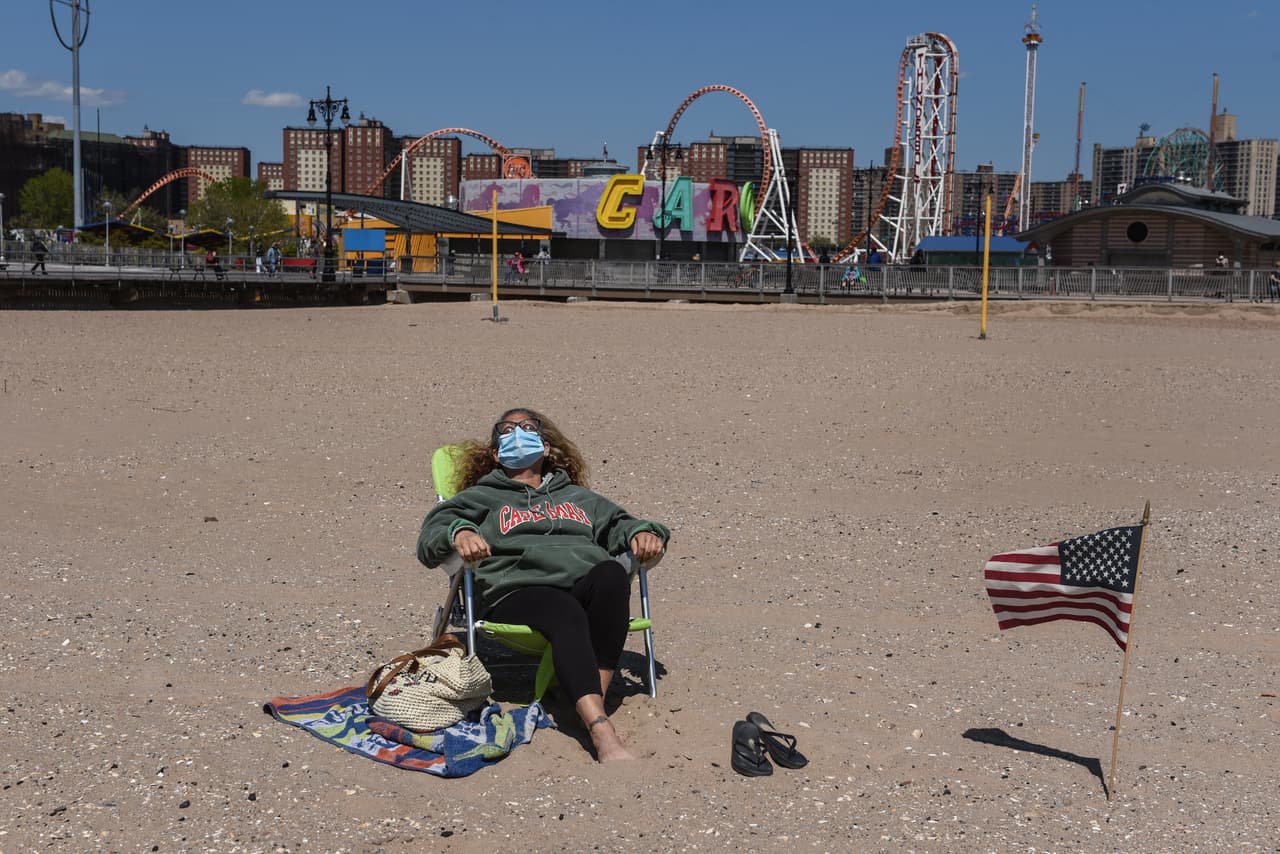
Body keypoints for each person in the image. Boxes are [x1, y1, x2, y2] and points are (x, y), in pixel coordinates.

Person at [418, 408, 670, 762]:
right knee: (561, 607)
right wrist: (458, 532)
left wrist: (645, 533)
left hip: (579, 588)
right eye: (507, 430)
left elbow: (623, 524)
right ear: (495, 453)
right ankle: (601, 729)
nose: (517, 433)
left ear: (546, 447)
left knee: (612, 576)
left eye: (527, 428)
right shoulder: (480, 497)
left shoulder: (580, 498)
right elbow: (430, 537)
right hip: (516, 590)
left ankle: (582, 700)